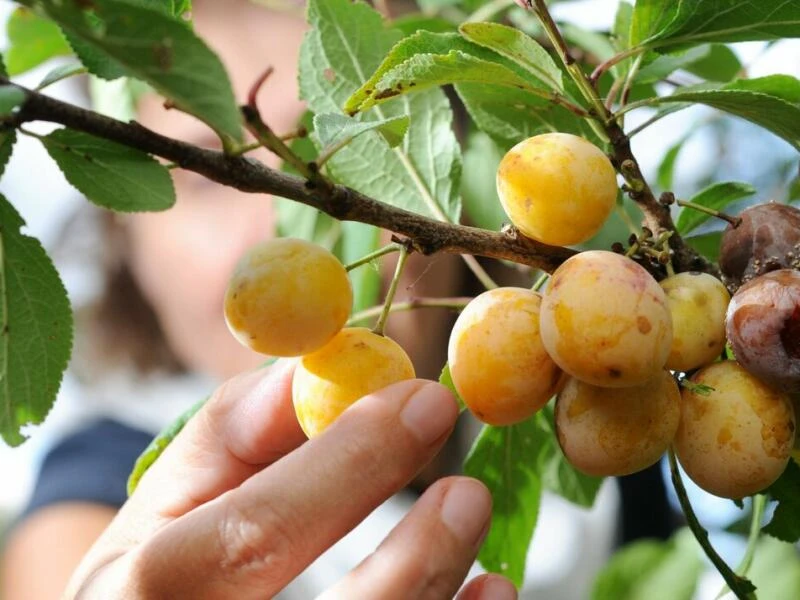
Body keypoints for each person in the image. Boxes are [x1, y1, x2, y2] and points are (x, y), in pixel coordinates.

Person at [1, 1, 517, 598]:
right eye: (212, 177)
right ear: (126, 239)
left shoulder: (587, 418)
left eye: (343, 154)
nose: (285, 227)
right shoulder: (100, 482)